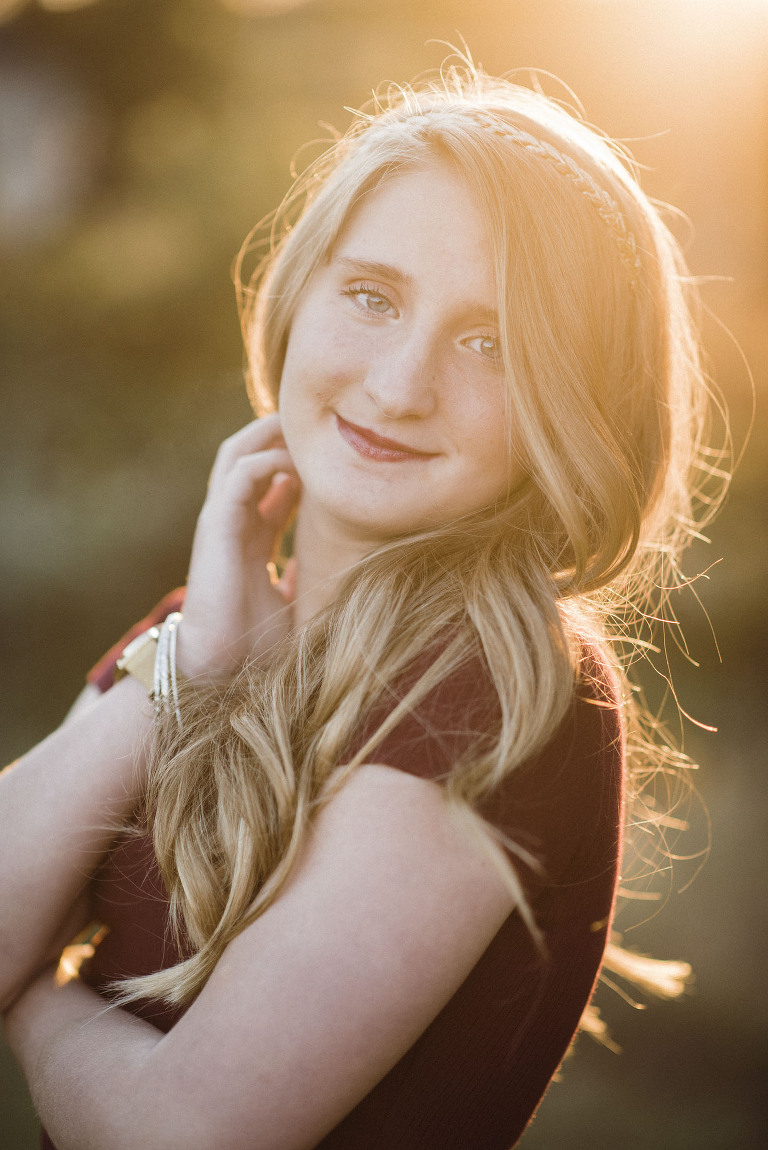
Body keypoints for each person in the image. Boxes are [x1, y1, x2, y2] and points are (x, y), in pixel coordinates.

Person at [1, 57, 722, 1150]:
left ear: (574, 400)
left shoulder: (494, 687)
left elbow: (179, 1136)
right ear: (297, 295)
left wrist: (34, 999)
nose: (398, 386)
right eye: (373, 297)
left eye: (490, 343)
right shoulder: (197, 630)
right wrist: (189, 668)